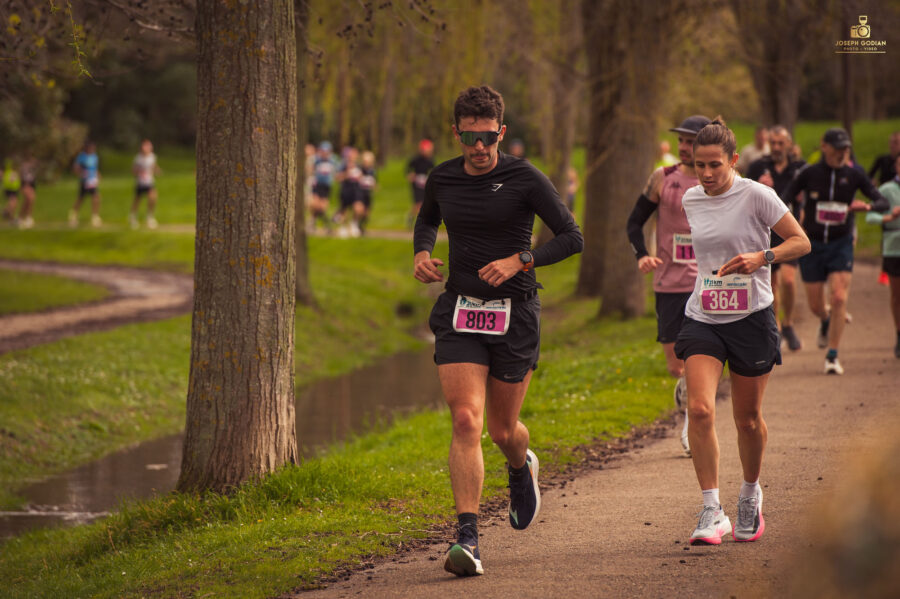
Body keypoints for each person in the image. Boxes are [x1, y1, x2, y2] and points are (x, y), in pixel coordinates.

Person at [414, 85, 583, 577]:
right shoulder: (442, 177)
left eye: (488, 137)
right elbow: (428, 220)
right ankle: (468, 537)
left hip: (515, 314)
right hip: (461, 309)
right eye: (470, 137)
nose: (479, 147)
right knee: (466, 420)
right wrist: (423, 254)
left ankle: (520, 464)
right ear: (457, 133)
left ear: (501, 133)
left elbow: (573, 237)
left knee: (502, 430)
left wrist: (521, 260)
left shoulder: (525, 177)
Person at [675, 117, 810, 546]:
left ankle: (750, 492)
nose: (708, 174)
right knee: (699, 409)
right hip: (704, 315)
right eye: (700, 165)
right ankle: (712, 509)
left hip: (751, 316)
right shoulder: (692, 199)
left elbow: (801, 241)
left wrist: (762, 256)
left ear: (734, 160)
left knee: (747, 420)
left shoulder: (757, 195)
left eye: (716, 164)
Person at [626, 114, 710, 457]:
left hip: (708, 282)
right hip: (669, 282)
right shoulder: (663, 178)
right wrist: (641, 255)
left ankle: (693, 421)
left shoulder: (718, 180)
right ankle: (685, 385)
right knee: (677, 364)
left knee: (701, 357)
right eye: (682, 141)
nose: (685, 147)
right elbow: (634, 222)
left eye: (691, 141)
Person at [780, 127, 892, 374]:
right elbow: (784, 197)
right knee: (816, 305)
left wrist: (867, 206)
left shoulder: (854, 175)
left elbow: (881, 201)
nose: (842, 153)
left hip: (841, 243)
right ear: (824, 147)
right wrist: (791, 222)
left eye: (845, 148)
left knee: (840, 297)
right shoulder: (808, 173)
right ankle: (826, 319)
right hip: (812, 244)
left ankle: (832, 355)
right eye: (837, 148)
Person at [746, 126, 807, 350]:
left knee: (789, 281)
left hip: (790, 232)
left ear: (789, 145)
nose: (777, 148)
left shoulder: (800, 169)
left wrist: (804, 204)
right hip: (766, 233)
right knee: (772, 285)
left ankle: (789, 322)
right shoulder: (758, 167)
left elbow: (812, 196)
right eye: (773, 143)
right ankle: (778, 327)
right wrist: (758, 186)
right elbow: (744, 195)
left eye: (781, 143)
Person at [866, 154, 900, 358]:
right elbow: (871, 217)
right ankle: (898, 334)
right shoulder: (887, 190)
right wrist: (890, 216)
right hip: (894, 249)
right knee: (897, 295)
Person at [129, 139, 161, 229]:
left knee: (153, 197)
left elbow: (153, 166)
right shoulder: (138, 158)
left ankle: (150, 217)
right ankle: (132, 217)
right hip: (140, 182)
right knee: (137, 200)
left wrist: (157, 170)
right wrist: (139, 171)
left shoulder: (152, 157)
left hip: (149, 182)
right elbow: (133, 170)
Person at [70, 141, 102, 227]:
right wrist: (81, 173)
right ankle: (73, 215)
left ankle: (95, 216)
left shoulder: (95, 157)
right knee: (81, 198)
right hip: (84, 181)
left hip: (92, 181)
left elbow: (94, 168)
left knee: (96, 197)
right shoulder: (81, 157)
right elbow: (75, 168)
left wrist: (98, 175)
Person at [309, 141, 336, 232]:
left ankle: (321, 223)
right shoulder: (316, 160)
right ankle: (319, 223)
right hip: (317, 185)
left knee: (322, 207)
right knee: (315, 205)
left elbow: (335, 172)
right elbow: (311, 169)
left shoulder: (332, 161)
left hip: (326, 187)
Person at [407, 139, 435, 226]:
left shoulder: (431, 161)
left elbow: (433, 171)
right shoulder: (416, 160)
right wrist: (410, 174)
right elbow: (408, 168)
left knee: (424, 203)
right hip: (416, 185)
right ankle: (419, 222)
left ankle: (412, 217)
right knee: (419, 204)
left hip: (425, 185)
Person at [355, 150, 376, 236]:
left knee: (367, 213)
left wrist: (374, 186)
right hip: (360, 192)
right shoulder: (359, 169)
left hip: (368, 193)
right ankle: (355, 225)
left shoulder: (372, 171)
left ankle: (361, 226)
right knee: (359, 209)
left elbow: (374, 182)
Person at [17, 152, 37, 229]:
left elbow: (33, 178)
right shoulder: (25, 166)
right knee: (30, 199)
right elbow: (22, 176)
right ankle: (28, 218)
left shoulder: (33, 168)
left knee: (28, 201)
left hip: (31, 185)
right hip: (25, 184)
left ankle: (21, 217)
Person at [2, 157, 21, 224]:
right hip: (11, 189)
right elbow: (11, 180)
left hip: (13, 189)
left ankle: (9, 215)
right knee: (13, 202)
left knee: (13, 203)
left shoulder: (8, 172)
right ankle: (7, 213)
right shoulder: (11, 172)